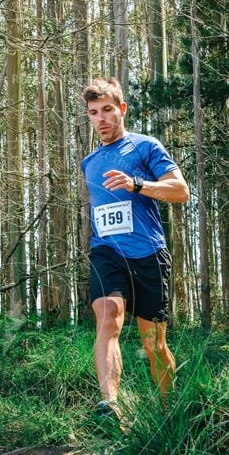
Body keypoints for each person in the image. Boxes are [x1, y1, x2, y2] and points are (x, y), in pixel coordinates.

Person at [81, 77, 189, 423]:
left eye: (107, 110)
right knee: (107, 317)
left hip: (148, 254)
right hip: (106, 252)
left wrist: (137, 184)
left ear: (122, 110)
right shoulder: (89, 163)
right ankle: (110, 405)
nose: (101, 119)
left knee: (153, 343)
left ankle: (170, 413)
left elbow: (180, 191)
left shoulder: (145, 147)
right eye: (94, 113)